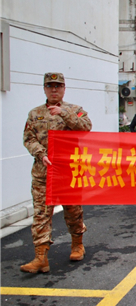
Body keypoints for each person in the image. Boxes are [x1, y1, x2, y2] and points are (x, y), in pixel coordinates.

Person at [21, 72, 92, 273]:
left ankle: (77, 243)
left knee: (73, 210)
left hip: (68, 171)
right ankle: (40, 257)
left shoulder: (75, 110)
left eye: (58, 86)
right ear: (44, 89)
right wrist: (40, 152)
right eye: (50, 86)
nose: (54, 89)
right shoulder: (35, 114)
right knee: (41, 214)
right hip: (43, 173)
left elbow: (86, 128)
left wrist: (63, 114)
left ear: (63, 88)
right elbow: (28, 138)